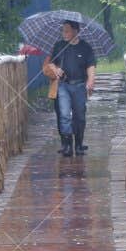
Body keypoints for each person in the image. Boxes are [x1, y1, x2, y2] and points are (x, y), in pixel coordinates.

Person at [44, 19, 97, 156]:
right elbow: (50, 63)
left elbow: (91, 65)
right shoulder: (59, 45)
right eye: (63, 30)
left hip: (79, 85)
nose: (64, 33)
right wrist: (55, 69)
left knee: (80, 116)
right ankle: (67, 146)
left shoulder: (85, 47)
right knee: (64, 115)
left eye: (67, 30)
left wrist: (91, 80)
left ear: (76, 31)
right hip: (63, 86)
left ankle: (78, 145)